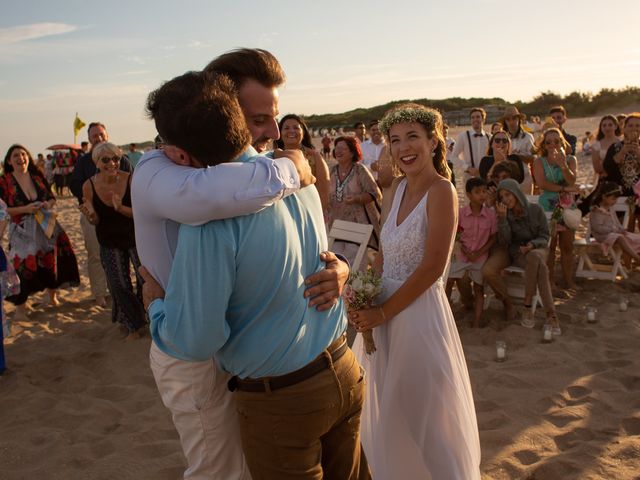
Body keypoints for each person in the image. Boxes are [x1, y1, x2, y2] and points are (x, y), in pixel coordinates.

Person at [132, 48, 351, 480]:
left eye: (275, 116)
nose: (274, 131)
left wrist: (337, 266)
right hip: (188, 345)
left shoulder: (270, 174)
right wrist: (295, 169)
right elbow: (210, 195)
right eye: (256, 120)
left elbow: (291, 247)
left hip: (244, 352)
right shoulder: (160, 173)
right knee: (219, 470)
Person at [349, 103, 480, 479]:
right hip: (382, 314)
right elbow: (382, 253)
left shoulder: (442, 191)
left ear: (433, 141)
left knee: (426, 418)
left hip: (417, 316)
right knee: (389, 414)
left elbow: (433, 267)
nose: (404, 147)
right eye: (395, 140)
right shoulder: (395, 189)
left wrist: (383, 312)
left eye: (412, 137)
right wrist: (364, 293)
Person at [0, 145, 80, 321]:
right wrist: (26, 208)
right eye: (16, 155)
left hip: (46, 226)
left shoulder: (37, 176)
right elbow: (3, 209)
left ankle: (52, 297)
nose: (21, 158)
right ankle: (20, 309)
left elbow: (52, 198)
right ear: (9, 160)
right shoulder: (4, 181)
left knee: (51, 261)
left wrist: (47, 205)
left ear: (28, 157)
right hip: (21, 230)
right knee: (22, 267)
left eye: (23, 154)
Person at [79, 142, 145, 339]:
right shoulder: (88, 185)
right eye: (106, 159)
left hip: (135, 237)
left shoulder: (131, 179)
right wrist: (91, 215)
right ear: (97, 163)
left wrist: (120, 209)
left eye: (116, 158)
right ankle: (133, 323)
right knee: (118, 285)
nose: (112, 163)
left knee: (144, 280)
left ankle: (142, 316)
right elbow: (95, 220)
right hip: (109, 239)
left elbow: (141, 214)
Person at [482, 179, 559, 332]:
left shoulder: (536, 210)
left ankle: (527, 305)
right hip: (519, 254)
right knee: (540, 268)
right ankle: (551, 315)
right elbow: (505, 241)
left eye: (508, 195)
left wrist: (532, 245)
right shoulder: (506, 215)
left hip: (538, 250)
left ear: (516, 193)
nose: (505, 199)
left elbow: (545, 236)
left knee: (535, 257)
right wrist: (503, 219)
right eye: (502, 197)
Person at [71, 122, 132, 308]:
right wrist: (90, 203)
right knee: (95, 255)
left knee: (129, 260)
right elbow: (75, 184)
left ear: (106, 135)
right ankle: (99, 294)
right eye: (94, 135)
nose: (98, 138)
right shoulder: (83, 162)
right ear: (89, 139)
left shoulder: (121, 158)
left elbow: (132, 181)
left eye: (101, 134)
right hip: (95, 214)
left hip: (125, 218)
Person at [446, 177, 497, 328]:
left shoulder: (490, 215)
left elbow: (493, 237)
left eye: (483, 191)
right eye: (477, 192)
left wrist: (478, 252)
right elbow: (456, 235)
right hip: (462, 255)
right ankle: (446, 317)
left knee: (479, 287)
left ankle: (477, 320)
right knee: (449, 281)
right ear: (468, 194)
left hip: (480, 257)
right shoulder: (460, 213)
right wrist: (466, 251)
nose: (481, 195)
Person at [533, 128, 580, 291]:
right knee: (550, 247)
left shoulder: (571, 159)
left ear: (562, 142)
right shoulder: (539, 162)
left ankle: (569, 281)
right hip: (548, 206)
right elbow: (542, 184)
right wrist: (565, 189)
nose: (553, 144)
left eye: (556, 141)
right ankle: (550, 282)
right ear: (544, 145)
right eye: (548, 142)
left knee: (567, 246)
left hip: (568, 207)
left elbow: (572, 179)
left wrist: (563, 166)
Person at [327, 136, 381, 266]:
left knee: (355, 266)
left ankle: (357, 287)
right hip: (336, 225)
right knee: (336, 263)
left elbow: (375, 193)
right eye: (336, 148)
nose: (338, 151)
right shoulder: (332, 171)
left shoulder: (360, 170)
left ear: (352, 152)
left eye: (343, 148)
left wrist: (358, 198)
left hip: (358, 226)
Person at [276, 114, 331, 215]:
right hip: (283, 212)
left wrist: (319, 214)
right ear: (280, 133)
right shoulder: (274, 157)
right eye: (286, 128)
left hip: (308, 210)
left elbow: (324, 190)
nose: (291, 131)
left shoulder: (314, 156)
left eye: (296, 128)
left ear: (303, 132)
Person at [603, 113, 640, 232]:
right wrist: (622, 152)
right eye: (630, 125)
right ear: (624, 128)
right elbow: (608, 169)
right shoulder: (615, 147)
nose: (634, 128)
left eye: (638, 126)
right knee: (626, 230)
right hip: (621, 192)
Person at [589, 181, 640, 261]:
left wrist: (621, 229)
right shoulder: (597, 210)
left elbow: (615, 222)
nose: (615, 201)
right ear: (604, 197)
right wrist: (613, 230)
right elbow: (597, 228)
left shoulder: (610, 208)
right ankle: (637, 258)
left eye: (616, 199)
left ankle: (634, 255)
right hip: (601, 236)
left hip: (612, 234)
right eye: (613, 199)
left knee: (633, 237)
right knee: (620, 238)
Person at [501, 106, 535, 193]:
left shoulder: (528, 137)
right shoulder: (501, 139)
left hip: (525, 177)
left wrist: (519, 156)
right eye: (508, 119)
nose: (511, 122)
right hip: (506, 179)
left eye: (514, 118)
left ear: (519, 119)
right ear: (505, 121)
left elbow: (534, 158)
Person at [452, 107, 491, 180]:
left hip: (486, 178)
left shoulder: (490, 137)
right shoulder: (463, 136)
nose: (475, 119)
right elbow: (453, 157)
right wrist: (467, 168)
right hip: (469, 178)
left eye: (478, 117)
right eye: (472, 117)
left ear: (483, 119)